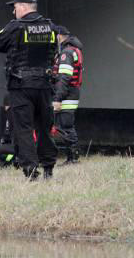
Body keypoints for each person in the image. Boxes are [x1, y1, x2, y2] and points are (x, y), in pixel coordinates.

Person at [0, 0, 58, 180]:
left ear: (22, 7)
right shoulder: (50, 26)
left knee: (24, 128)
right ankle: (48, 168)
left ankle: (30, 170)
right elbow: (53, 52)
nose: (14, 12)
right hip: (45, 85)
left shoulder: (15, 26)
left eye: (14, 8)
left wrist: (12, 26)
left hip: (21, 86)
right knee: (44, 128)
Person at [51, 25, 84, 165]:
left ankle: (73, 158)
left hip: (67, 94)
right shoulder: (72, 50)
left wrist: (57, 98)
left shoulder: (66, 53)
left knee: (66, 126)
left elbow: (64, 77)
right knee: (65, 126)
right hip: (70, 92)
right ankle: (72, 157)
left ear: (59, 36)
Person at [0, 94, 19, 169]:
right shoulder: (18, 114)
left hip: (15, 146)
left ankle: (8, 163)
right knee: (10, 154)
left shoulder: (10, 114)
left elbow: (9, 131)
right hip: (18, 146)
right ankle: (11, 162)